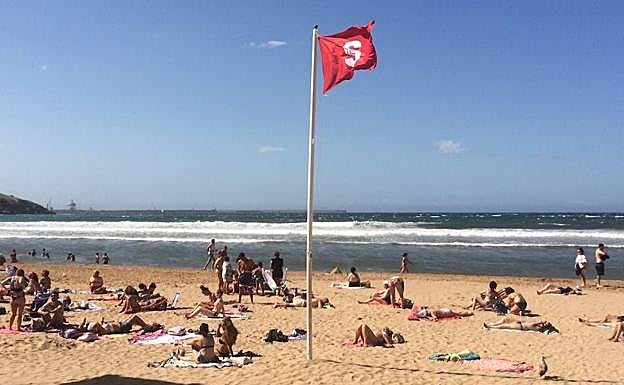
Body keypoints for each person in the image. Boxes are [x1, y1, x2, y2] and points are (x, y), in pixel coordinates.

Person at [81, 314, 154, 335]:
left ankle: (145, 326)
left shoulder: (102, 328)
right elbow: (96, 324)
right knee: (135, 317)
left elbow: (98, 324)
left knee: (135, 320)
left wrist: (102, 322)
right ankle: (146, 326)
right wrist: (88, 326)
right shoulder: (102, 331)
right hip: (123, 328)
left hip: (122, 324)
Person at [484, 317, 559, 334]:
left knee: (504, 326)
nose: (544, 321)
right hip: (520, 323)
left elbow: (536, 323)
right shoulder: (539, 326)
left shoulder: (538, 327)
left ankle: (490, 327)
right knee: (505, 319)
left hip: (520, 326)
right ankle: (494, 324)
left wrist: (541, 322)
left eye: (545, 322)